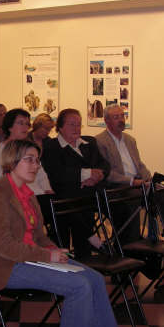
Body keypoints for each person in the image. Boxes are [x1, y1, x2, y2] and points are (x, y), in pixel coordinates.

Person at [0, 140, 131, 327]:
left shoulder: (28, 193)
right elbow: (4, 247)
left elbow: (39, 235)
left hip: (31, 257)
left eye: (37, 160)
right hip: (5, 265)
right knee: (79, 286)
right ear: (11, 161)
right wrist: (48, 256)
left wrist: (52, 249)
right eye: (29, 159)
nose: (35, 165)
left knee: (95, 279)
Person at [95, 105, 164, 243]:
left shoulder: (130, 140)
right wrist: (132, 182)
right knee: (132, 200)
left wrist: (148, 179)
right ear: (106, 121)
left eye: (122, 116)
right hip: (117, 187)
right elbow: (107, 173)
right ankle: (131, 243)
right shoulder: (100, 141)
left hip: (138, 183)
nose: (121, 120)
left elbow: (139, 164)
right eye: (116, 117)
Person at [41, 109, 110, 255]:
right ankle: (92, 241)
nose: (77, 128)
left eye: (79, 125)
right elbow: (57, 174)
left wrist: (96, 177)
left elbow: (104, 165)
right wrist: (87, 173)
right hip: (64, 197)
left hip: (89, 194)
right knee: (72, 203)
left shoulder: (89, 142)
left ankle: (107, 246)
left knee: (121, 205)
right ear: (60, 127)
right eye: (72, 124)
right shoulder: (51, 146)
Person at [0, 108, 52, 196]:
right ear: (10, 127)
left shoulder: (29, 147)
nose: (26, 127)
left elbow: (41, 173)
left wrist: (47, 189)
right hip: (18, 196)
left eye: (27, 124)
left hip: (38, 194)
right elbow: (5, 179)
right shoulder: (0, 151)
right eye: (20, 123)